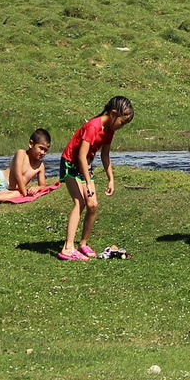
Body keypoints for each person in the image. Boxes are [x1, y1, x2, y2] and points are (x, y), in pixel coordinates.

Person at [57, 96, 133, 260]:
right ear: (113, 114)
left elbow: (105, 155)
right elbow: (81, 156)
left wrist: (110, 179)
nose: (122, 126)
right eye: (122, 121)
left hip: (85, 164)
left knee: (93, 204)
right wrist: (89, 182)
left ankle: (82, 244)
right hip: (71, 162)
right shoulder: (93, 126)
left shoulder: (109, 130)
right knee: (81, 202)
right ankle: (67, 248)